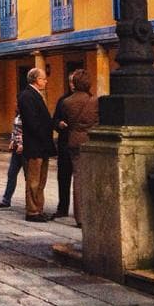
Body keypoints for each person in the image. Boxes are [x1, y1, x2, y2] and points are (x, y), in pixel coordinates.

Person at [57, 69, 98, 227]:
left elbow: (66, 119)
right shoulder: (95, 101)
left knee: (78, 178)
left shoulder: (67, 102)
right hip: (89, 140)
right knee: (89, 177)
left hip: (73, 140)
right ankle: (89, 212)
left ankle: (79, 215)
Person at [18, 67, 54, 222]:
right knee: (33, 180)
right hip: (35, 145)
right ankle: (32, 210)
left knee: (41, 179)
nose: (45, 81)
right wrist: (44, 134)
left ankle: (39, 208)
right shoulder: (27, 95)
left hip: (42, 145)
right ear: (35, 80)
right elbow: (32, 121)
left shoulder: (36, 95)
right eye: (43, 79)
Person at [52, 72, 77, 219]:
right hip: (64, 142)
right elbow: (55, 119)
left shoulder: (89, 100)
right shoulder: (63, 100)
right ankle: (63, 207)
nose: (72, 85)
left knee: (79, 179)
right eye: (70, 82)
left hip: (78, 143)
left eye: (74, 82)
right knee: (63, 177)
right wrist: (58, 124)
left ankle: (79, 209)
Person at [0, 109, 23, 209]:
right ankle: (6, 200)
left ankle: (31, 203)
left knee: (29, 177)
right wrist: (12, 141)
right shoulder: (18, 115)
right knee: (11, 173)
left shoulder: (28, 113)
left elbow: (29, 130)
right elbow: (15, 130)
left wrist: (22, 144)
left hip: (25, 148)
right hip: (16, 148)